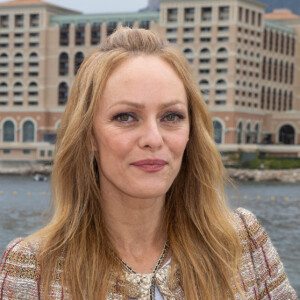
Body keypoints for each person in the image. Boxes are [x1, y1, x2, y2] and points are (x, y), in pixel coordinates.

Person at [0, 27, 297, 300]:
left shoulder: (243, 243)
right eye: (125, 117)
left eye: (171, 117)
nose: (153, 139)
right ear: (89, 135)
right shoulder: (32, 268)